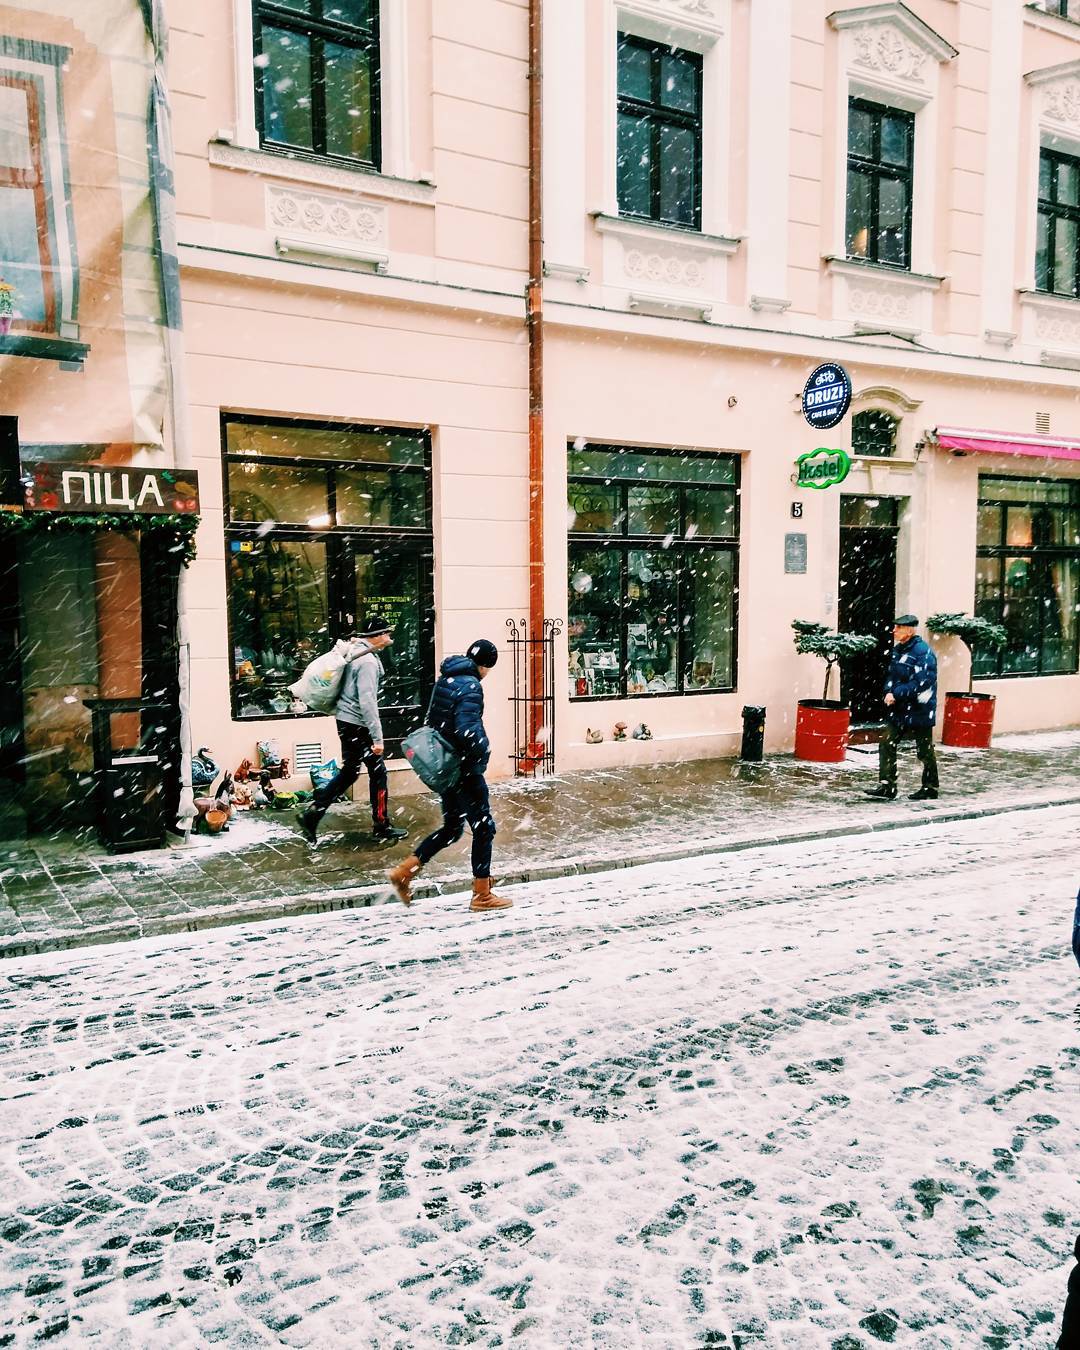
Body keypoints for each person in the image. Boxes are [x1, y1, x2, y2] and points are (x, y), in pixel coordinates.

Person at [387, 638, 511, 913]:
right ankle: (482, 894)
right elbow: (468, 729)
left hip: (446, 764)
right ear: (486, 665)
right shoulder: (471, 685)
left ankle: (405, 872)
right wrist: (483, 753)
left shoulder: (447, 679)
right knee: (484, 827)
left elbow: (435, 720)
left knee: (453, 828)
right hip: (464, 767)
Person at [297, 615, 407, 844]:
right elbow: (367, 702)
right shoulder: (366, 661)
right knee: (378, 774)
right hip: (358, 725)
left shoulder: (356, 652)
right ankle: (381, 824)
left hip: (345, 721)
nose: (389, 637)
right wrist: (378, 739)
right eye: (386, 633)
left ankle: (314, 812)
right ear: (376, 637)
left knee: (349, 771)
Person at [864, 614, 940, 802]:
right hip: (900, 709)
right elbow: (892, 675)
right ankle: (887, 786)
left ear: (910, 630)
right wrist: (889, 691)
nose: (894, 631)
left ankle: (930, 787)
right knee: (887, 742)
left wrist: (896, 693)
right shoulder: (899, 650)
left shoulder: (923, 652)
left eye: (898, 628)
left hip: (920, 707)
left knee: (924, 750)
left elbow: (923, 682)